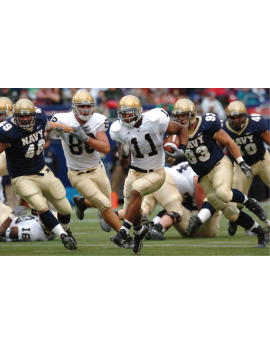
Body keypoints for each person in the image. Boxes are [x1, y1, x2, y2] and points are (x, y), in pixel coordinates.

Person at [168, 98, 269, 248]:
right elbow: (169, 160)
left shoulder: (206, 123)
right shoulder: (174, 133)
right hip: (203, 176)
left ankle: (249, 202)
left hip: (219, 165)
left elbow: (228, 141)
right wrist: (171, 156)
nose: (180, 119)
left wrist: (241, 162)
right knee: (229, 212)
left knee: (223, 193)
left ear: (193, 114)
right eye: (178, 116)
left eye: (184, 115)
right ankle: (261, 233)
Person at [49, 90, 134, 248]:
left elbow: (106, 148)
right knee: (104, 204)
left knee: (106, 203)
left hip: (98, 169)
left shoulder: (97, 120)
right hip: (78, 173)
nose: (85, 110)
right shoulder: (63, 118)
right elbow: (47, 128)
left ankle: (83, 203)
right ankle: (124, 237)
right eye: (81, 106)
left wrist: (86, 138)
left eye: (88, 107)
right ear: (74, 108)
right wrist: (64, 129)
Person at [109, 95, 189, 253]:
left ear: (138, 112)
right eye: (123, 113)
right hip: (134, 171)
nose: (125, 117)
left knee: (136, 191)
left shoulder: (154, 121)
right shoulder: (119, 129)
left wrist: (183, 149)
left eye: (128, 112)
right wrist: (124, 154)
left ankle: (123, 232)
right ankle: (139, 231)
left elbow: (182, 129)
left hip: (156, 172)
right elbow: (124, 164)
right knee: (131, 207)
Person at [0, 99, 78, 251]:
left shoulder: (40, 118)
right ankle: (63, 236)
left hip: (41, 170)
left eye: (27, 116)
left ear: (33, 115)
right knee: (40, 205)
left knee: (65, 207)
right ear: (14, 116)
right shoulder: (8, 130)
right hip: (21, 176)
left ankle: (66, 230)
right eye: (20, 117)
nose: (24, 119)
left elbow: (52, 126)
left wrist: (72, 129)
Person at [95, 162, 221, 239]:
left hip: (156, 175)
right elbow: (200, 203)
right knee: (176, 212)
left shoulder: (191, 166)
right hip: (165, 180)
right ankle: (158, 228)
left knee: (141, 209)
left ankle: (113, 215)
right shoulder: (201, 175)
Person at [221, 101, 270, 236]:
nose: (236, 121)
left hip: (262, 161)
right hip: (241, 165)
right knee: (237, 199)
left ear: (246, 116)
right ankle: (236, 220)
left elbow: (268, 139)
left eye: (239, 117)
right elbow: (219, 149)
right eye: (233, 118)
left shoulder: (256, 123)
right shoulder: (223, 128)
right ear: (228, 118)